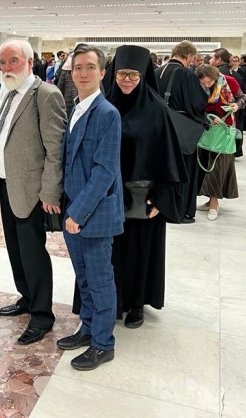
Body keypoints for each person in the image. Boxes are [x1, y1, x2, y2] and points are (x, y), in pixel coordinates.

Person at [0, 39, 66, 345]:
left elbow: (55, 149)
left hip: (32, 191)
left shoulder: (45, 94)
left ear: (29, 61)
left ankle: (42, 315)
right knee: (16, 250)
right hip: (7, 186)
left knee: (33, 254)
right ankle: (27, 297)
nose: (7, 67)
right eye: (3, 63)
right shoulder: (9, 93)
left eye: (13, 61)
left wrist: (50, 192)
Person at [108, 45, 186, 327]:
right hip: (109, 197)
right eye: (121, 74)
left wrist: (161, 196)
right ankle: (111, 300)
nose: (127, 80)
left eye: (134, 75)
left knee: (139, 252)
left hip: (142, 200)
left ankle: (136, 303)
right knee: (110, 252)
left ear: (143, 75)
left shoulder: (157, 111)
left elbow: (169, 159)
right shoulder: (105, 105)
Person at [57, 44, 123, 371]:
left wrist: (77, 213)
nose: (83, 73)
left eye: (90, 67)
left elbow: (104, 171)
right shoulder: (77, 108)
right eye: (78, 67)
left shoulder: (107, 113)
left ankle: (103, 343)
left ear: (102, 72)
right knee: (83, 278)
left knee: (99, 280)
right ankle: (88, 327)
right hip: (73, 208)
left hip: (92, 213)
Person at [155, 40, 208, 223]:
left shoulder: (157, 72)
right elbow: (197, 103)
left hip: (158, 129)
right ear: (188, 56)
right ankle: (180, 211)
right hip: (180, 131)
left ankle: (160, 208)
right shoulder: (185, 74)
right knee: (183, 170)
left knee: (161, 170)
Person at [195, 64, 241, 221]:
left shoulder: (229, 81)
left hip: (224, 131)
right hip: (206, 130)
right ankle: (210, 201)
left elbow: (243, 98)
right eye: (203, 83)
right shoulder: (197, 85)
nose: (207, 85)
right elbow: (195, 106)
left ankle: (214, 204)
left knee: (219, 167)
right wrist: (206, 116)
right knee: (205, 165)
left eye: (209, 82)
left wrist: (236, 105)